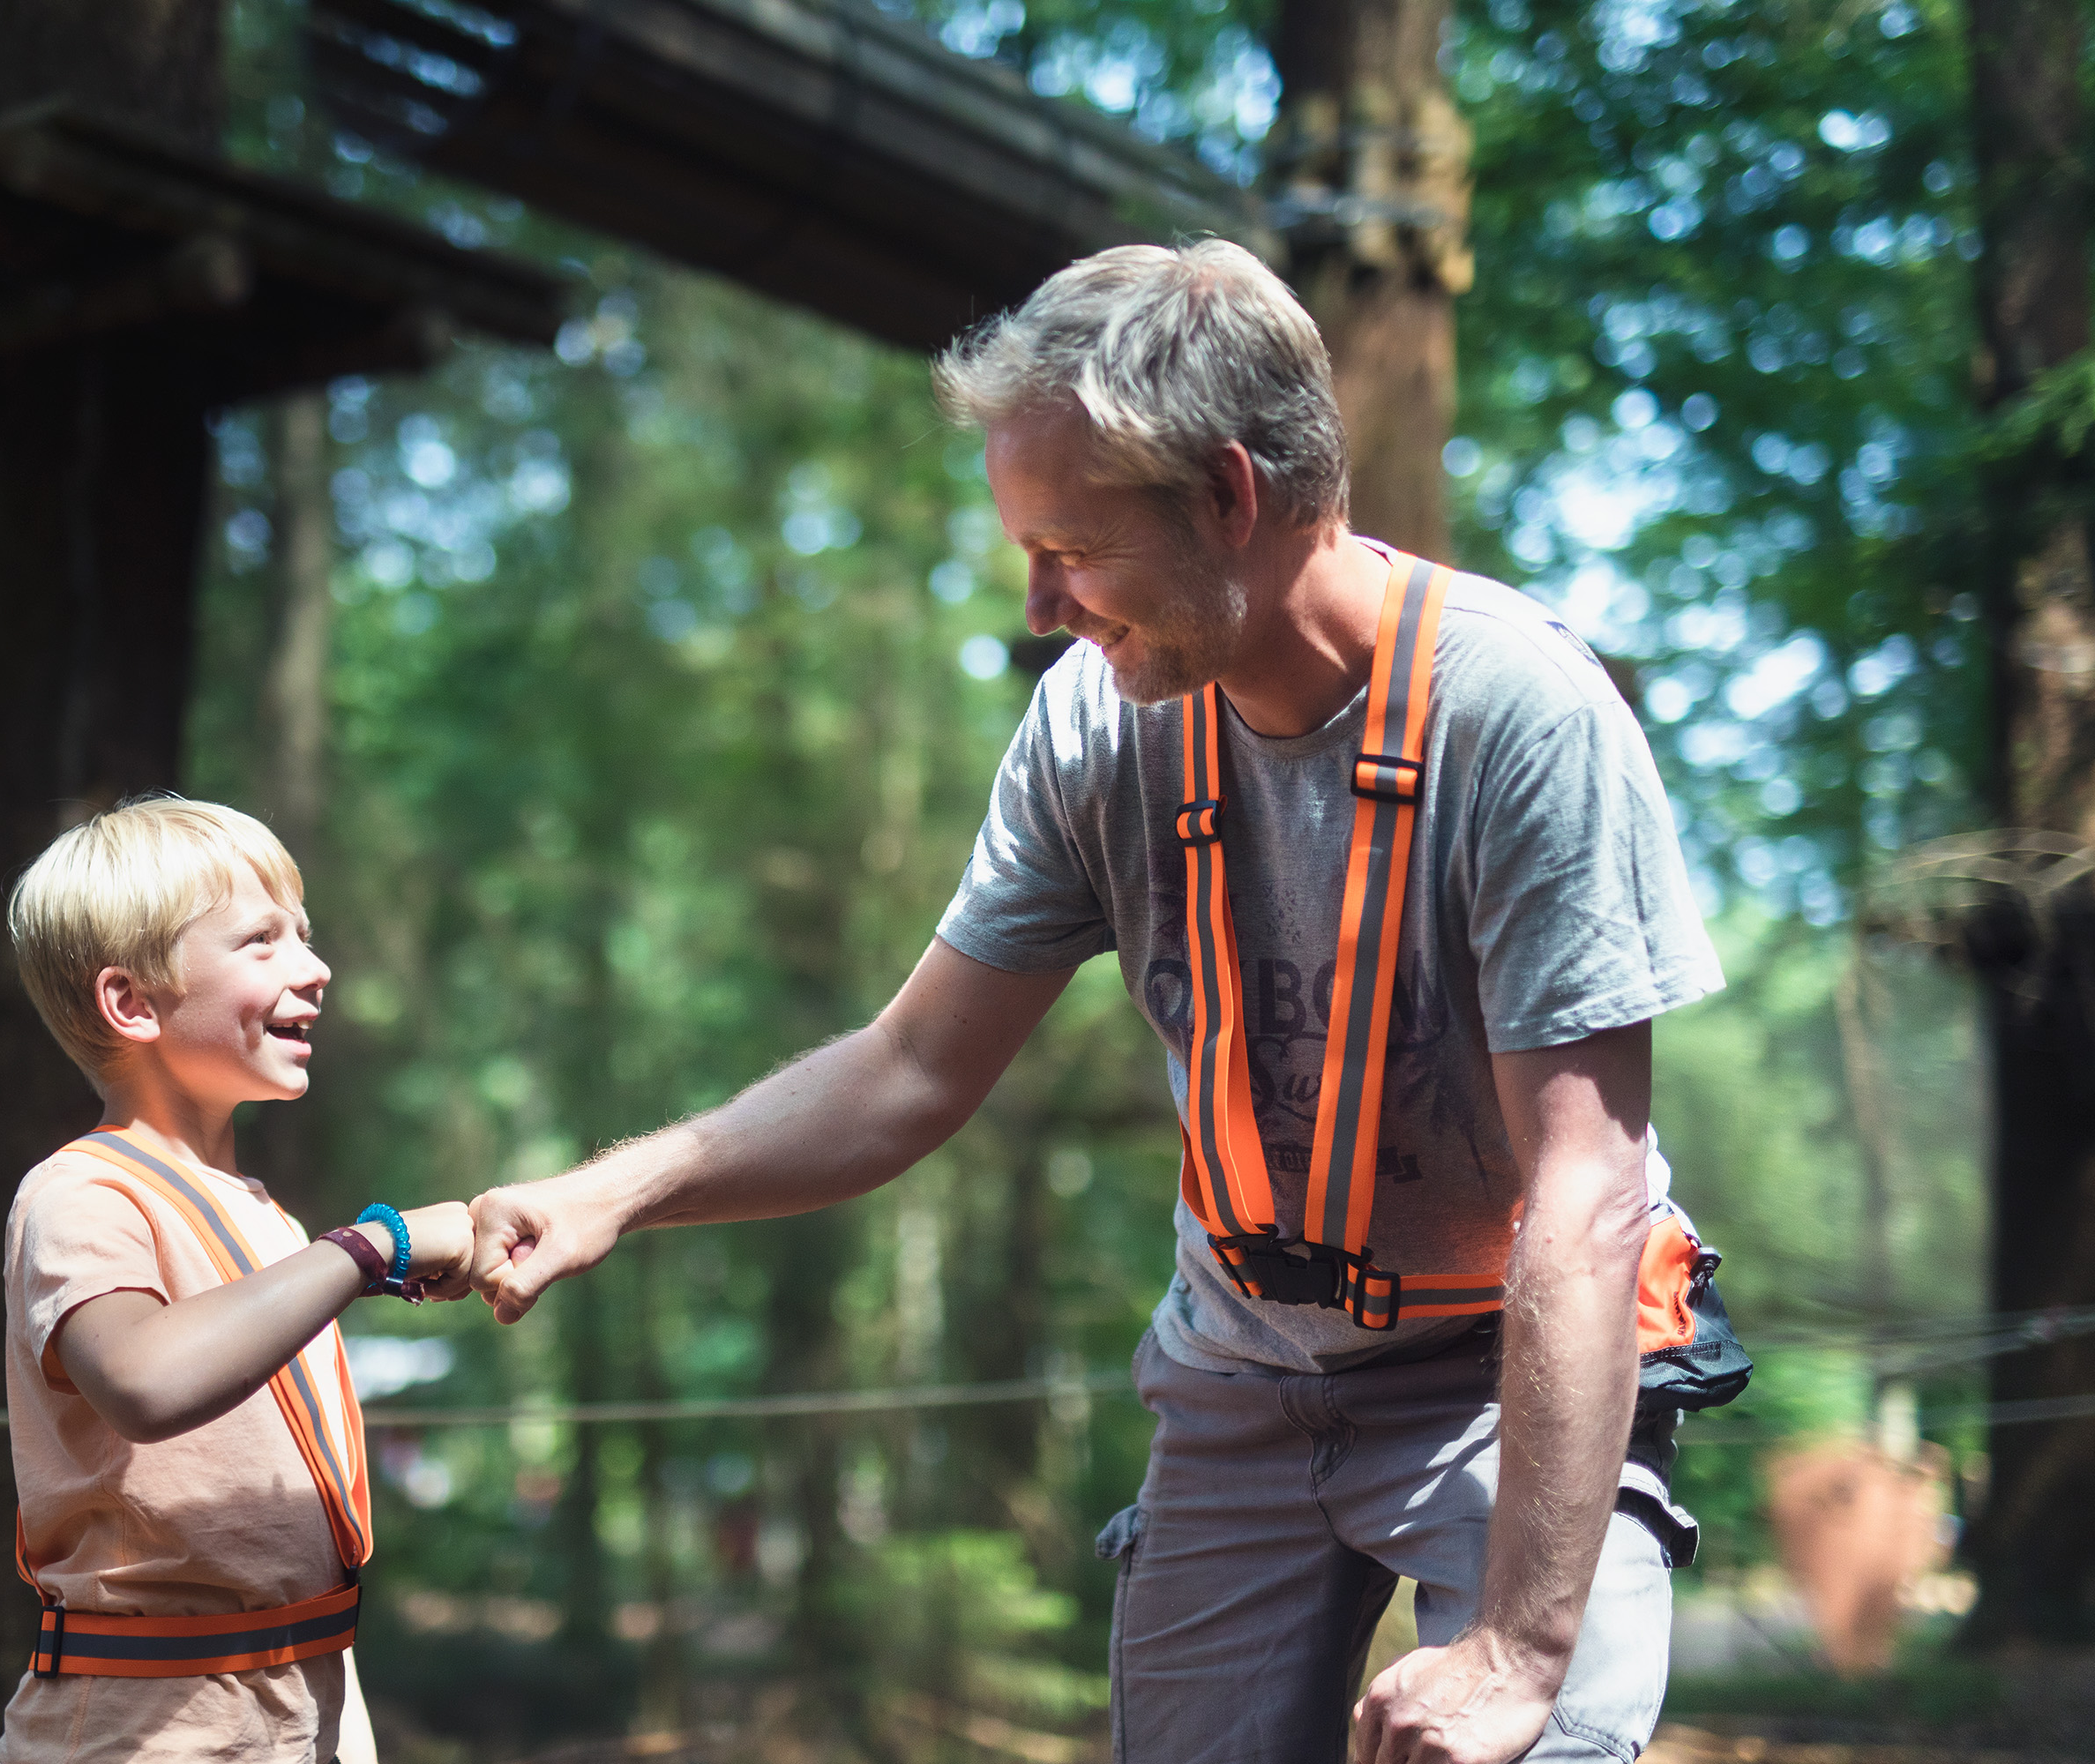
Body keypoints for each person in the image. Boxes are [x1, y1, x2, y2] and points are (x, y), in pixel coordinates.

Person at [468, 239, 1722, 1764]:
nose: (1043, 602)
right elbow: (909, 1070)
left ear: (1229, 496)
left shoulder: (1519, 713)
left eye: (1069, 548)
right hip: (1245, 1370)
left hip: (1506, 1363)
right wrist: (623, 1189)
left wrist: (1522, 1653)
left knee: (1540, 1743)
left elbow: (1585, 1191)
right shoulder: (1097, 725)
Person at [0, 796, 474, 1762]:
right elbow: (146, 1377)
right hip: (147, 1724)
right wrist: (366, 1249)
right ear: (132, 1003)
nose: (316, 965)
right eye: (262, 941)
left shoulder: (265, 1215)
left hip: (305, 1701)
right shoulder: (82, 1191)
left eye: (306, 934)